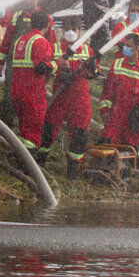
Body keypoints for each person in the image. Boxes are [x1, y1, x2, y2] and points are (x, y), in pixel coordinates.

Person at [42, 16, 96, 177]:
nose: (70, 33)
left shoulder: (87, 50)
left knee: (79, 132)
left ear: (80, 31)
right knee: (49, 128)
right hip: (60, 95)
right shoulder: (56, 48)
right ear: (62, 31)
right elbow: (47, 69)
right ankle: (39, 162)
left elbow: (94, 73)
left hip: (80, 97)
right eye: (67, 30)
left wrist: (90, 69)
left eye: (74, 29)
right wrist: (60, 67)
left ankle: (73, 171)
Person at [98, 31, 139, 157]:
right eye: (125, 45)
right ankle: (107, 173)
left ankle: (135, 173)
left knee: (136, 151)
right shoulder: (117, 64)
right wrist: (105, 110)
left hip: (134, 117)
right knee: (107, 145)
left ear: (137, 47)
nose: (125, 48)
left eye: (128, 45)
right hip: (116, 115)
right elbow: (108, 91)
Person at [9, 10, 56, 162]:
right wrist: (56, 65)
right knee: (32, 132)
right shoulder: (41, 42)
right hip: (32, 95)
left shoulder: (20, 41)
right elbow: (40, 67)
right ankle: (27, 166)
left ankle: (18, 158)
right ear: (47, 25)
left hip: (16, 92)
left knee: (24, 129)